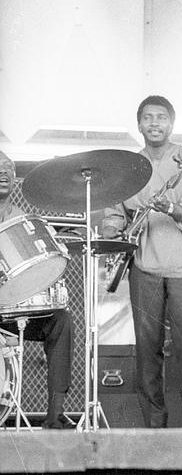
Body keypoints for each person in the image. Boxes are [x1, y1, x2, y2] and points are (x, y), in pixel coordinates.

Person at [101, 96, 182, 427]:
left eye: (161, 117)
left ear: (171, 123)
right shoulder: (128, 168)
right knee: (147, 352)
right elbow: (114, 214)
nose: (154, 123)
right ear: (138, 125)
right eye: (147, 118)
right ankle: (154, 428)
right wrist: (111, 228)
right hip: (144, 266)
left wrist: (173, 209)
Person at [0, 150, 74, 428]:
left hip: (13, 311)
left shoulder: (22, 219)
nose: (3, 172)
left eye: (8, 167)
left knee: (60, 320)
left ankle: (55, 415)